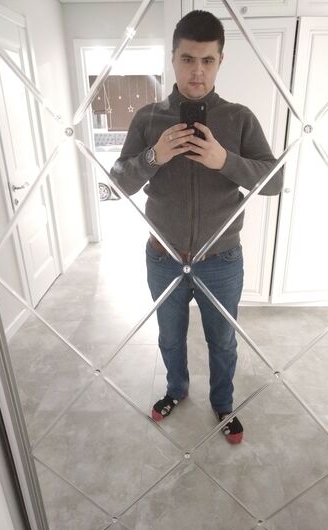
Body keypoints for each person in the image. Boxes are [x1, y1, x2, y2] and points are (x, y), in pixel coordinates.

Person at [110, 10, 283, 444]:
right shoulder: (148, 118)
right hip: (163, 257)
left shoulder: (239, 118)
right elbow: (118, 183)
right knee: (170, 337)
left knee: (222, 341)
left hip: (221, 260)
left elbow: (274, 181)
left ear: (221, 61)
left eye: (208, 60)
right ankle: (176, 391)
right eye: (188, 59)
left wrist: (225, 161)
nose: (197, 71)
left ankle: (223, 404)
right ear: (173, 58)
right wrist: (155, 156)